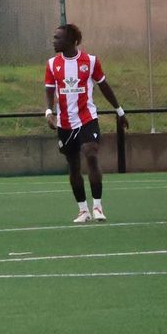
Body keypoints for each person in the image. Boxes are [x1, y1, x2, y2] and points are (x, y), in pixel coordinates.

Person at [44, 23, 127, 223]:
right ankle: (83, 210)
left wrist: (119, 111)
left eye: (58, 38)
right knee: (73, 166)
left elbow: (104, 86)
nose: (54, 41)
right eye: (54, 37)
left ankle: (97, 206)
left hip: (87, 118)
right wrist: (49, 112)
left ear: (71, 41)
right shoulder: (52, 64)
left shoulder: (90, 62)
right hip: (65, 123)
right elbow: (48, 89)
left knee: (90, 153)